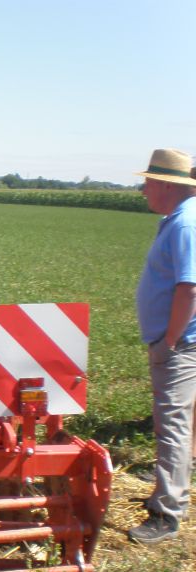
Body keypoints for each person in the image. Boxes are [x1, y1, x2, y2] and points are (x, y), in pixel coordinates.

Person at [128, 148, 196, 544]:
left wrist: (170, 341)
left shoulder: (185, 225)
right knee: (183, 420)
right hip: (183, 340)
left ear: (168, 186)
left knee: (172, 422)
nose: (143, 190)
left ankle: (167, 514)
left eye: (148, 183)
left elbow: (189, 287)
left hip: (181, 344)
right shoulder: (179, 220)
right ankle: (168, 484)